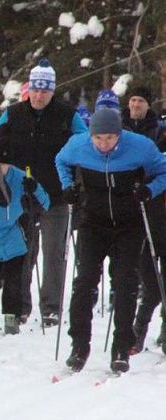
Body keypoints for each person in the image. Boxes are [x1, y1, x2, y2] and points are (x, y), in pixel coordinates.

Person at [55, 108, 166, 373]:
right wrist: (67, 186)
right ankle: (79, 345)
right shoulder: (78, 145)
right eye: (99, 139)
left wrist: (149, 190)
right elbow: (60, 160)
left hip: (129, 225)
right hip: (94, 223)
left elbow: (163, 172)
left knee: (125, 282)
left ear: (120, 134)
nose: (104, 144)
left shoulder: (141, 147)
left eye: (109, 138)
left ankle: (121, 348)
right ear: (91, 136)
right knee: (84, 283)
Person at [0, 58, 88, 326]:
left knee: (53, 252)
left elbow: (87, 143)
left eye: (45, 90)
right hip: (21, 195)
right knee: (22, 251)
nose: (39, 95)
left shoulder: (67, 114)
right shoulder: (13, 113)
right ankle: (20, 306)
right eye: (36, 89)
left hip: (55, 194)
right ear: (29, 88)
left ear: (53, 90)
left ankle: (51, 307)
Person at [0, 152, 49, 336]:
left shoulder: (20, 176)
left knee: (14, 282)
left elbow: (45, 202)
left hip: (15, 239)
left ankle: (12, 315)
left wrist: (33, 190)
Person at [125, 86, 166, 353]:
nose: (137, 104)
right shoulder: (124, 128)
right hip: (147, 214)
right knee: (150, 281)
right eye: (133, 100)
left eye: (142, 100)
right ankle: (137, 333)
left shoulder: (159, 130)